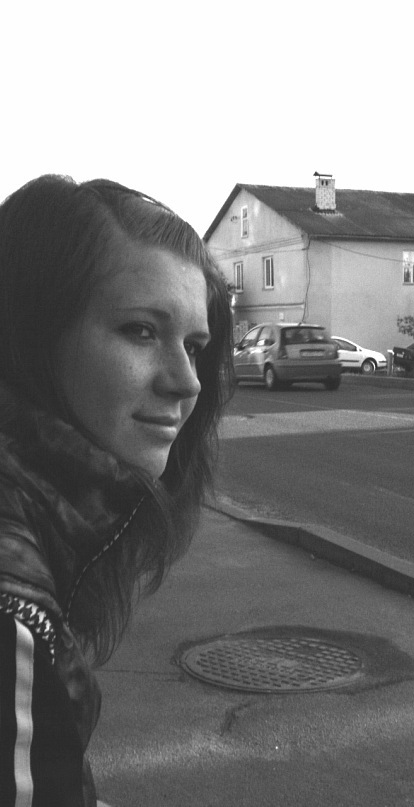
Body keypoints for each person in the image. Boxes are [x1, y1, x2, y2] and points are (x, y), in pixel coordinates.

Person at [0, 175, 233, 805]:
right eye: (141, 331)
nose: (188, 382)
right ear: (33, 334)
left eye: (195, 346)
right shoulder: (11, 606)